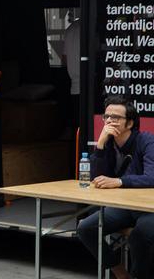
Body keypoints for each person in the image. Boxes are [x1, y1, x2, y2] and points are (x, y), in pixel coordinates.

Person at [76, 95, 154, 279]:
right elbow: (95, 177)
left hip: (149, 208)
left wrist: (119, 182)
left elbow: (151, 177)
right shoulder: (109, 143)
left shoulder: (147, 141)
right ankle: (121, 274)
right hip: (125, 206)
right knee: (85, 228)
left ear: (130, 123)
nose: (109, 121)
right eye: (107, 116)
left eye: (116, 117)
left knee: (140, 235)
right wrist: (100, 145)